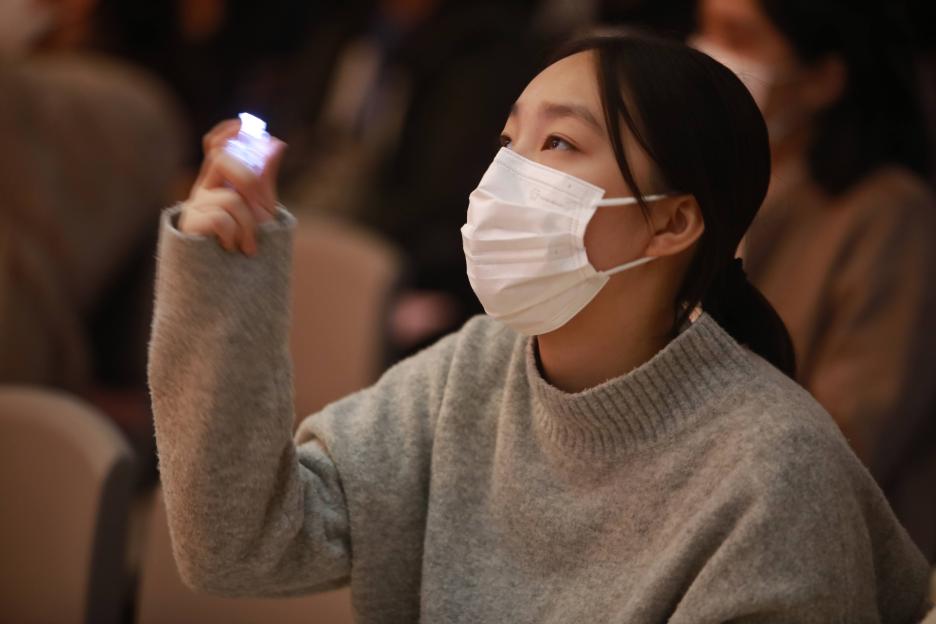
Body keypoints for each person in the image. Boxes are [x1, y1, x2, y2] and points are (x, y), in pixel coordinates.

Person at [147, 33, 931, 621]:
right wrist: (225, 279)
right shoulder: (475, 369)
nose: (505, 177)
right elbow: (242, 546)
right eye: (508, 141)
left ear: (671, 223)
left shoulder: (773, 471)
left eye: (558, 142)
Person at [692, 0, 936, 562]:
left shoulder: (889, 213)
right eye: (704, 28)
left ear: (823, 78)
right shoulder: (709, 185)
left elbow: (851, 436)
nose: (707, 54)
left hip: (815, 550)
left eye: (737, 37)